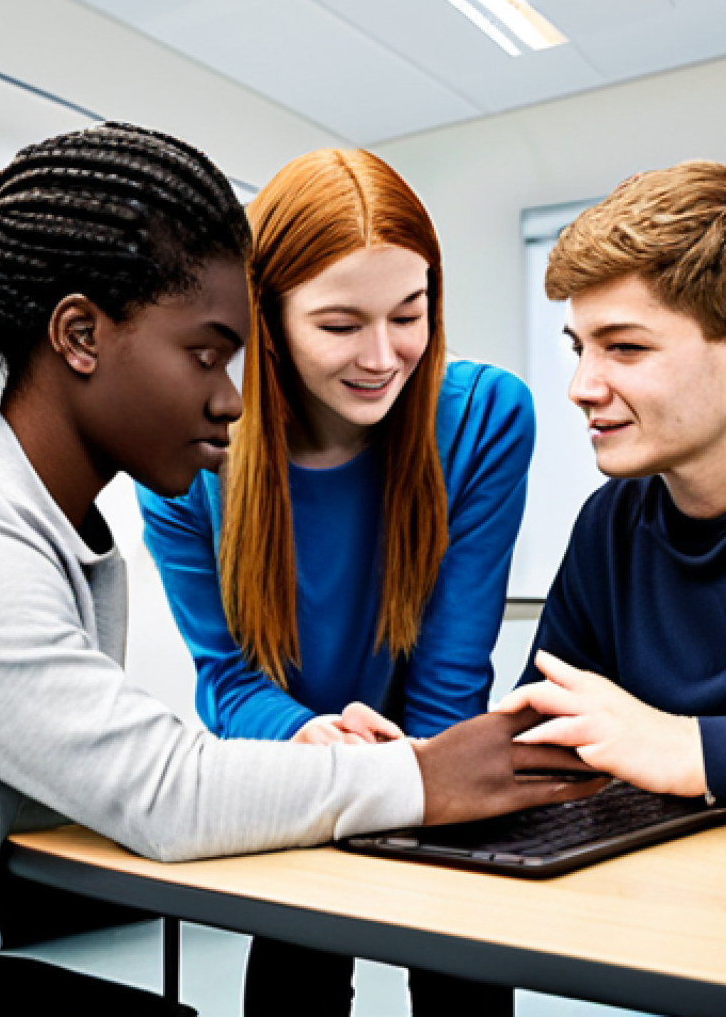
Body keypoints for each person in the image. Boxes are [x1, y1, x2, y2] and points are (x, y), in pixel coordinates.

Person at [0, 124, 595, 1017]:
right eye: (206, 354)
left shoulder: (45, 525)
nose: (231, 395)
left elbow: (81, 771)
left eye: (408, 315)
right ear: (78, 335)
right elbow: (164, 789)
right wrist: (417, 777)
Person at [138, 148, 537, 1016]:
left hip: (441, 775)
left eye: (409, 313)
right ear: (265, 316)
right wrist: (315, 742)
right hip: (300, 783)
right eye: (340, 324)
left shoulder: (483, 416)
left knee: (461, 983)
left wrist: (407, 780)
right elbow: (232, 680)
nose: (383, 356)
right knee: (293, 985)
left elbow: (450, 681)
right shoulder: (185, 457)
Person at [497, 160, 726, 819]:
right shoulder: (608, 525)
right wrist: (412, 764)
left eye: (626, 348)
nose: (582, 386)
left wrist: (692, 748)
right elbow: (543, 731)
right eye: (580, 347)